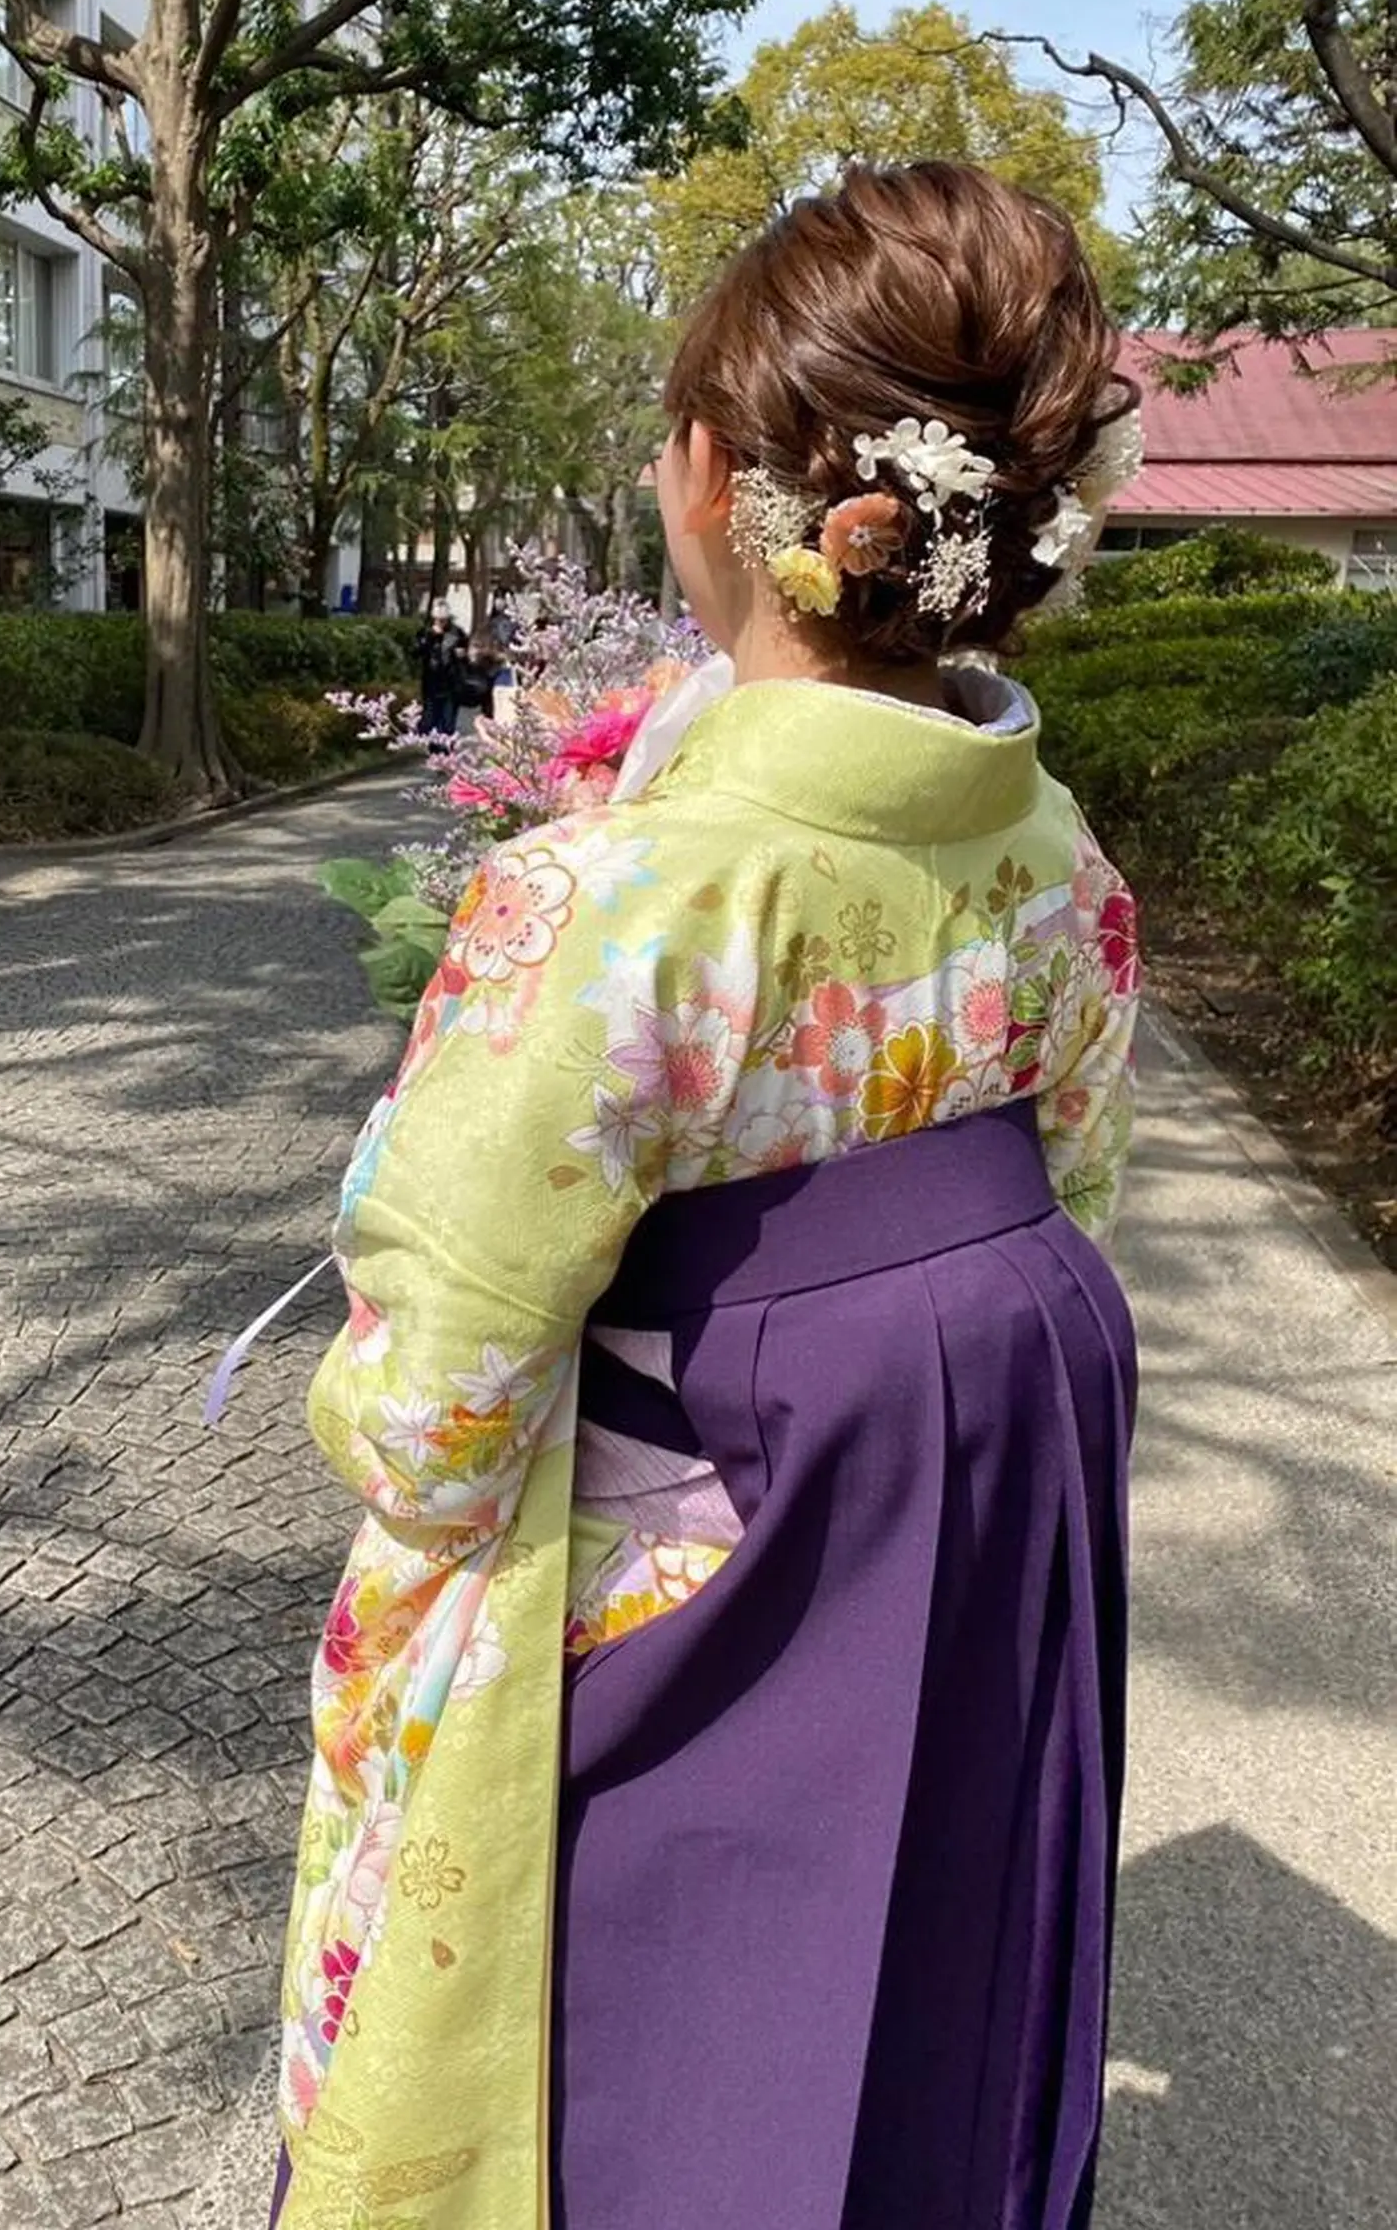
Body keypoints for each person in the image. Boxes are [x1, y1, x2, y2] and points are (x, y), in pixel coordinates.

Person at [272, 163, 1145, 2228]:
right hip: (957, 1551)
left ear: (703, 478)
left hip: (686, 1595)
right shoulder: (1061, 865)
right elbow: (1082, 1197)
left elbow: (440, 1414)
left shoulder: (614, 901)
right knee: (917, 1984)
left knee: (653, 2057)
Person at [414, 598, 469, 737]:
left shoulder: (457, 632)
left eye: (443, 620)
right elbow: (416, 652)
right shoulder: (425, 632)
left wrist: (461, 655)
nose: (440, 623)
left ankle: (446, 750)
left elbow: (466, 653)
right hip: (431, 683)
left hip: (451, 683)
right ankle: (433, 749)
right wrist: (430, 638)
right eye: (438, 620)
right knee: (429, 721)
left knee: (447, 723)